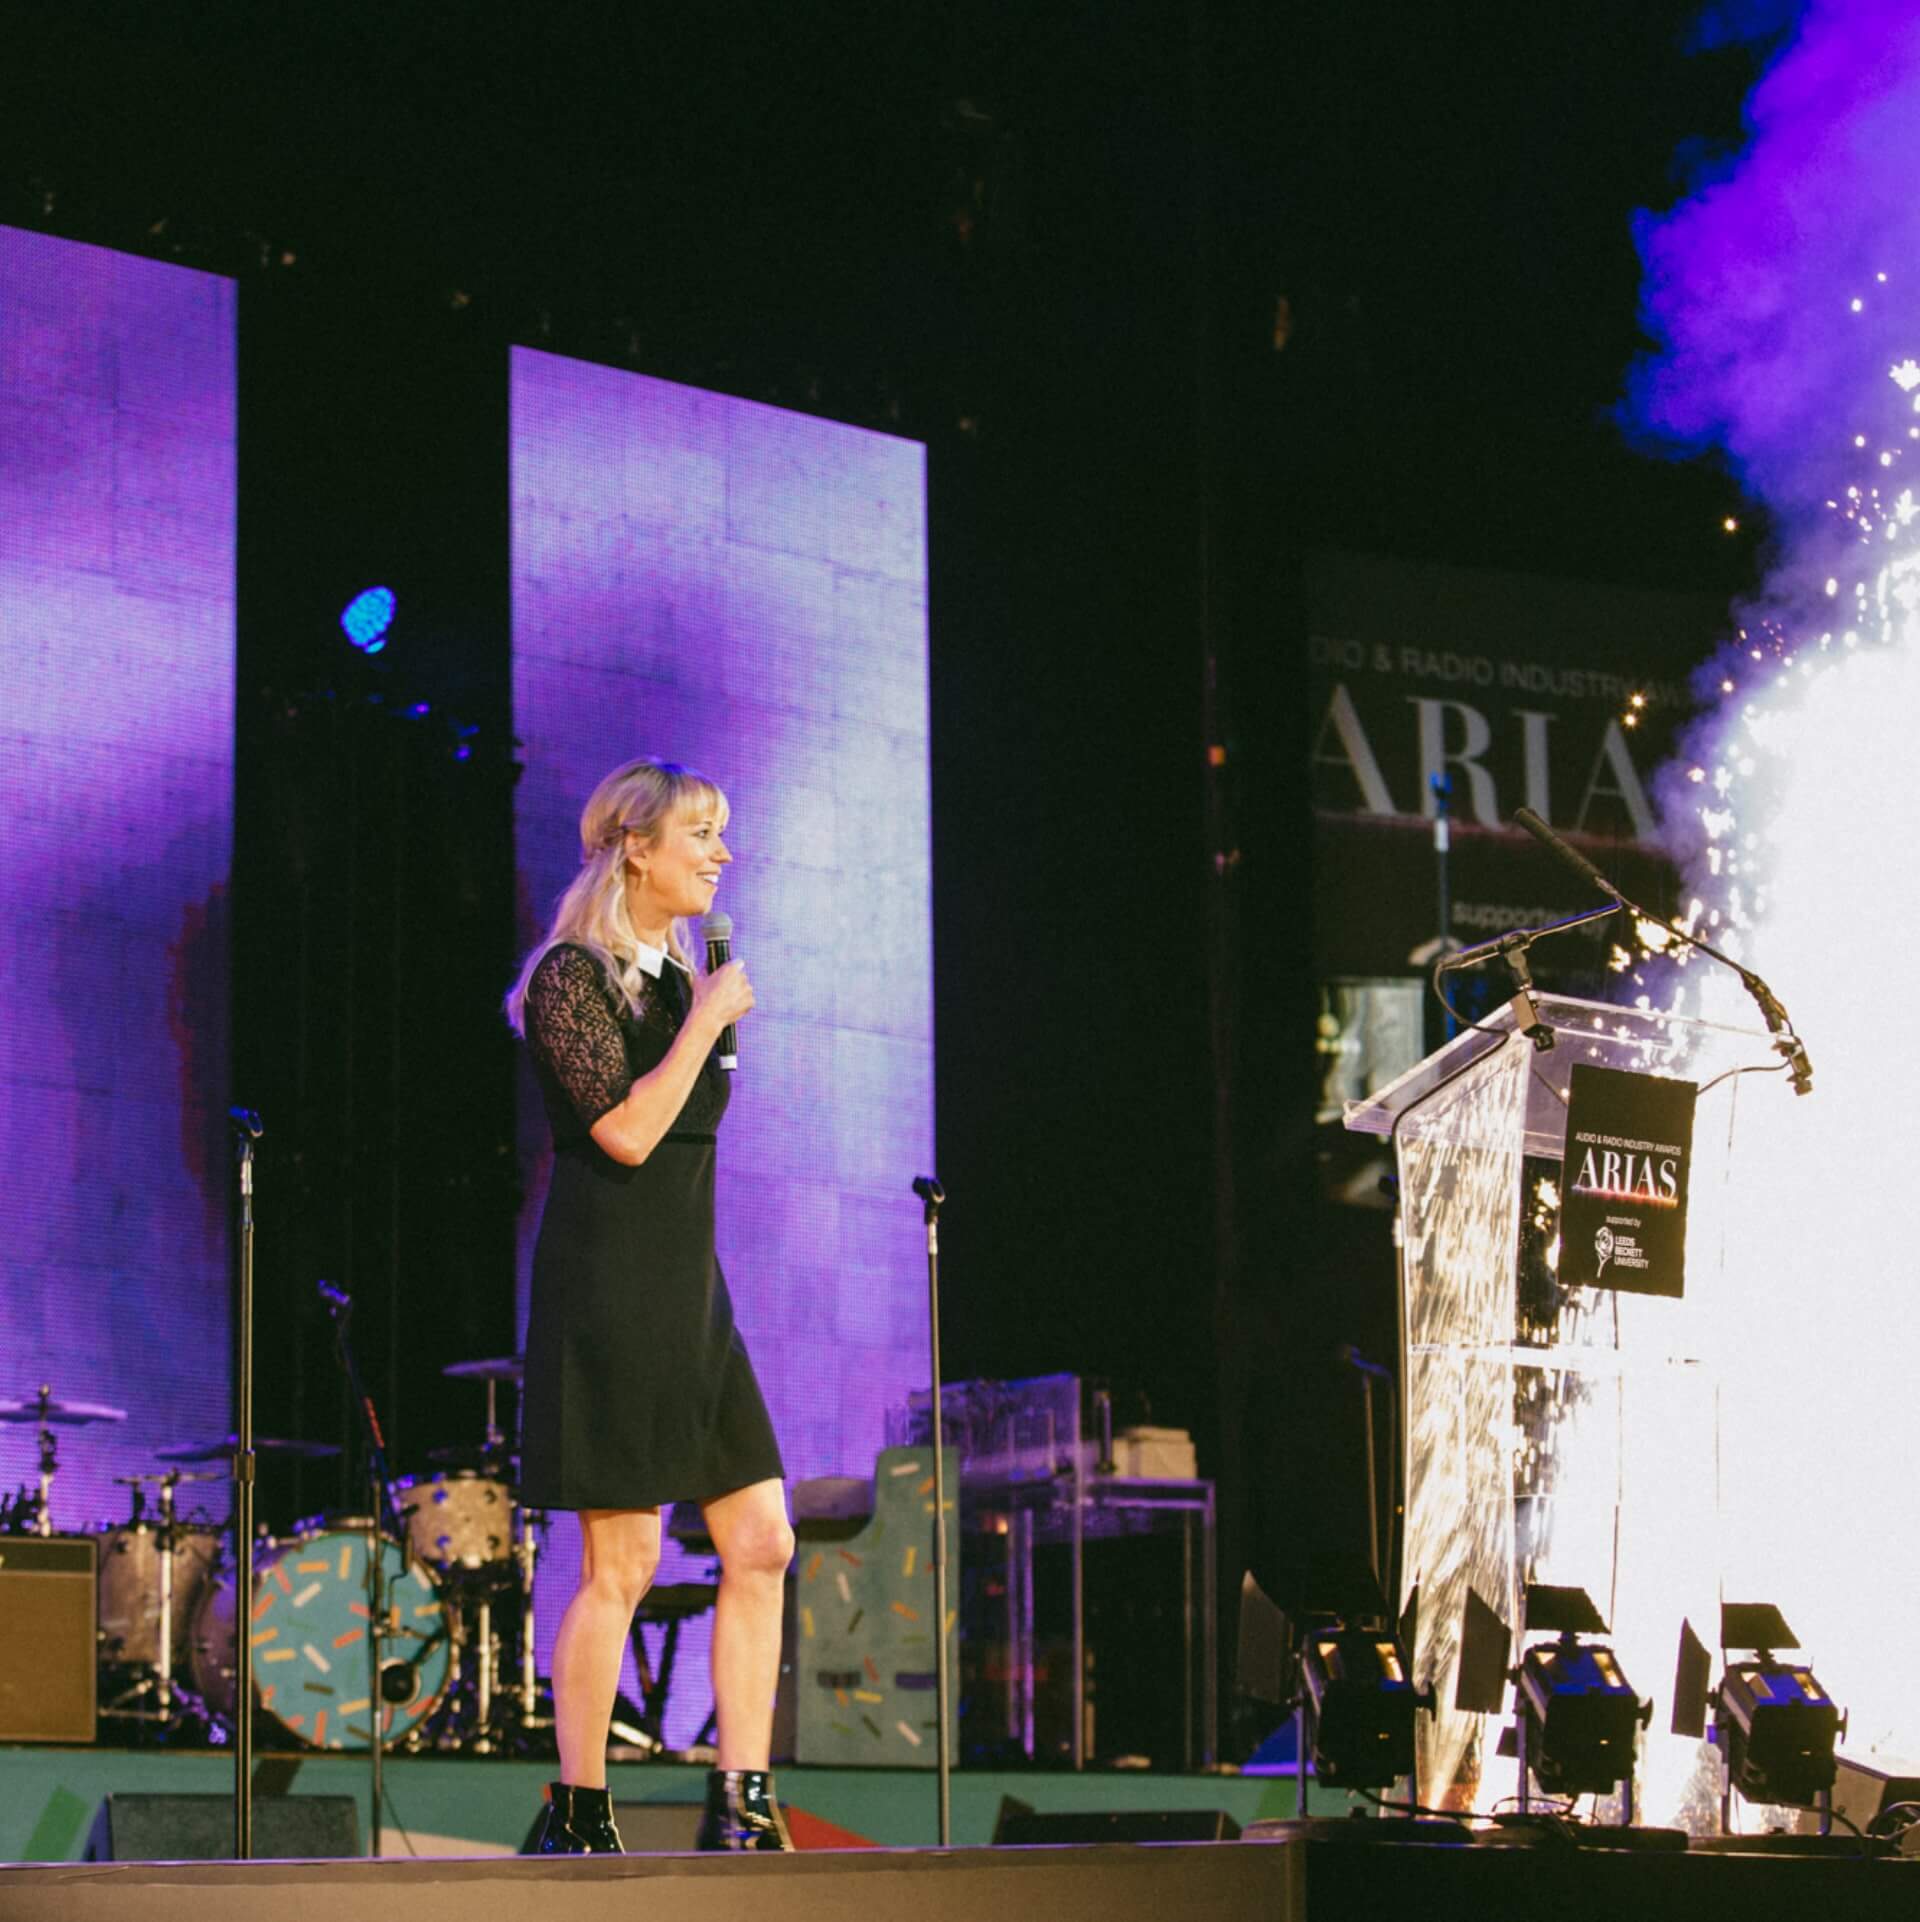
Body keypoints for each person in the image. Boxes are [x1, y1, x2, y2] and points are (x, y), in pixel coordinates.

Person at [505, 755, 795, 1853]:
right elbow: (624, 1131)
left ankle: (743, 1796)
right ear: (635, 845)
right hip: (612, 1286)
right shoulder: (565, 979)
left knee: (761, 1537)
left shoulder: (680, 984)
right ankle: (580, 1806)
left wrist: (701, 1007)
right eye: (699, 834)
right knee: (620, 1564)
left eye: (722, 833)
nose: (721, 853)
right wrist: (708, 1016)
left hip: (692, 1289)